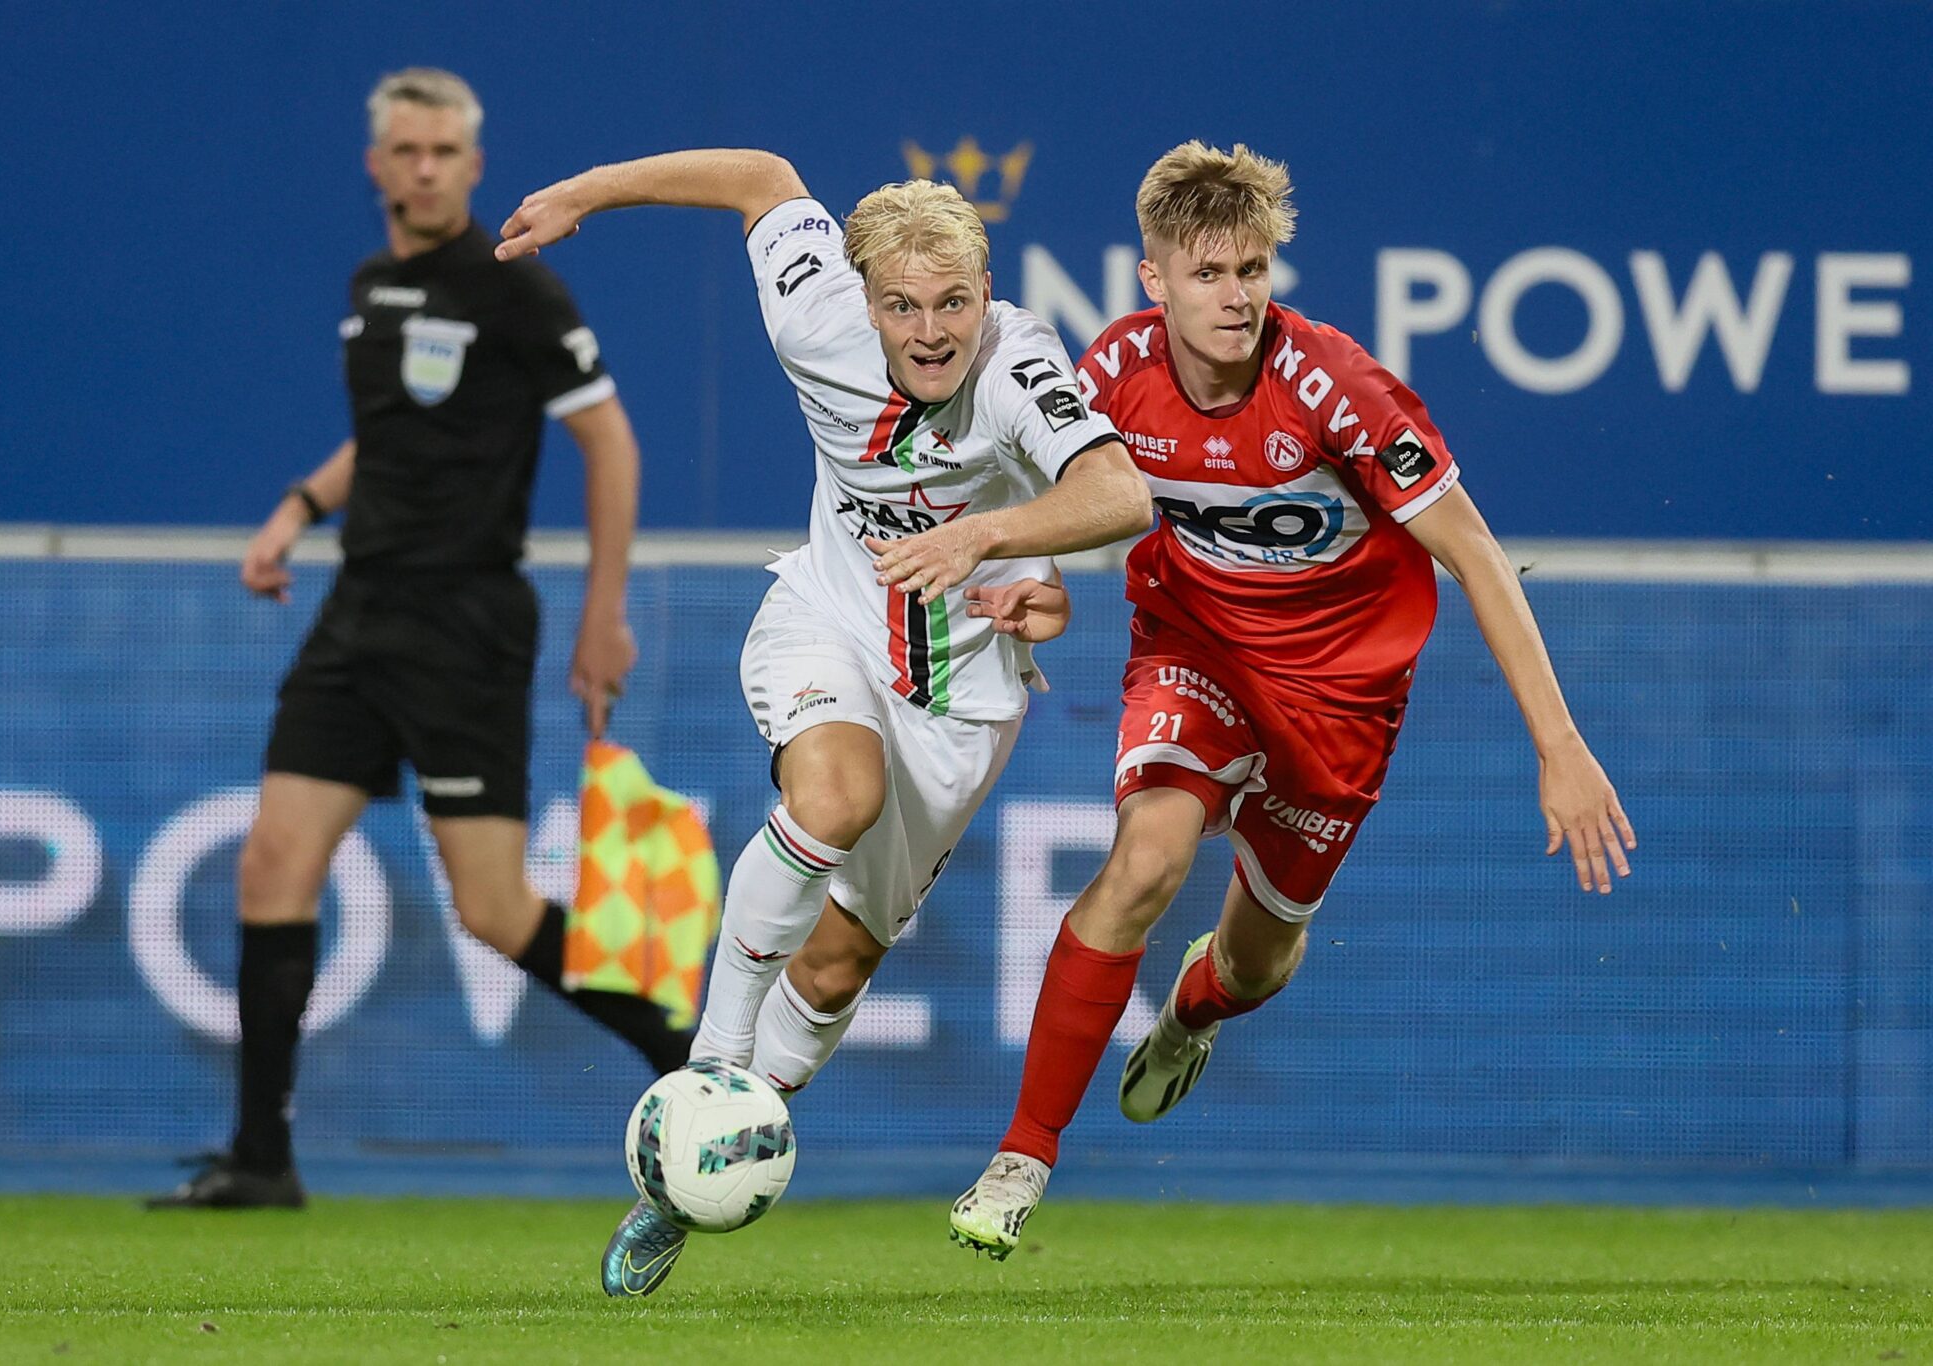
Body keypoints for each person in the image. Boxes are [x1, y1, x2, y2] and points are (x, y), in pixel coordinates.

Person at [948, 141, 1637, 1257]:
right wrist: (1046, 582)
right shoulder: (1111, 369)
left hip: (1338, 696)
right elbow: (1069, 499)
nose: (1235, 296)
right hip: (1194, 651)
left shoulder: (1337, 390)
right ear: (1152, 279)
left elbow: (1476, 556)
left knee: (1257, 961)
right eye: (1209, 272)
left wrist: (1558, 747)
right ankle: (1021, 1155)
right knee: (1144, 860)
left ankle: (1193, 1012)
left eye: (1253, 270)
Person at [495, 147, 1153, 1294]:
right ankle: (705, 1073)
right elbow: (760, 176)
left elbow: (1119, 493)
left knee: (842, 963)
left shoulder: (1018, 362)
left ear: (985, 290)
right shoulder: (813, 317)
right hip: (826, 620)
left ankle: (688, 1184)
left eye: (954, 300)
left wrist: (986, 542)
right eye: (902, 303)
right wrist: (583, 192)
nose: (932, 329)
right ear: (861, 300)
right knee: (833, 798)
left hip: (960, 699)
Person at [149, 69, 686, 1211]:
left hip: (465, 623)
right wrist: (297, 510)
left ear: (474, 166)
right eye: (409, 150)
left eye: (447, 150)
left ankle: (677, 1045)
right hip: (357, 618)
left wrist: (604, 615)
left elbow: (612, 445)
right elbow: (384, 437)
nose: (428, 167)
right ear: (377, 164)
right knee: (271, 864)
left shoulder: (517, 290)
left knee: (493, 911)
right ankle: (260, 1157)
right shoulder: (370, 284)